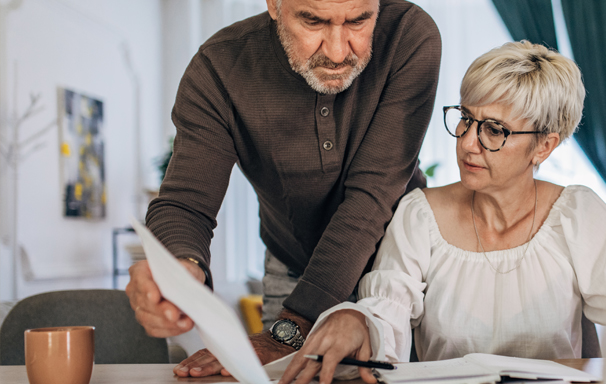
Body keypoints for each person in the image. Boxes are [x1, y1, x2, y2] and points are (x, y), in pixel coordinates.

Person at [123, 0, 441, 377]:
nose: (339, 51)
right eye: (312, 20)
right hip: (294, 269)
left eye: (359, 20)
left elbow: (371, 198)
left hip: (400, 271)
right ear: (274, 4)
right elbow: (186, 202)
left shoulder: (409, 34)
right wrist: (180, 269)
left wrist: (289, 330)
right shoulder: (218, 68)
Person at [278, 41, 606, 384]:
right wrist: (358, 320)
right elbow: (385, 314)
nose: (468, 142)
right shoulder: (420, 214)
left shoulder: (577, 215)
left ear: (544, 146)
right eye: (466, 119)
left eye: (494, 130)